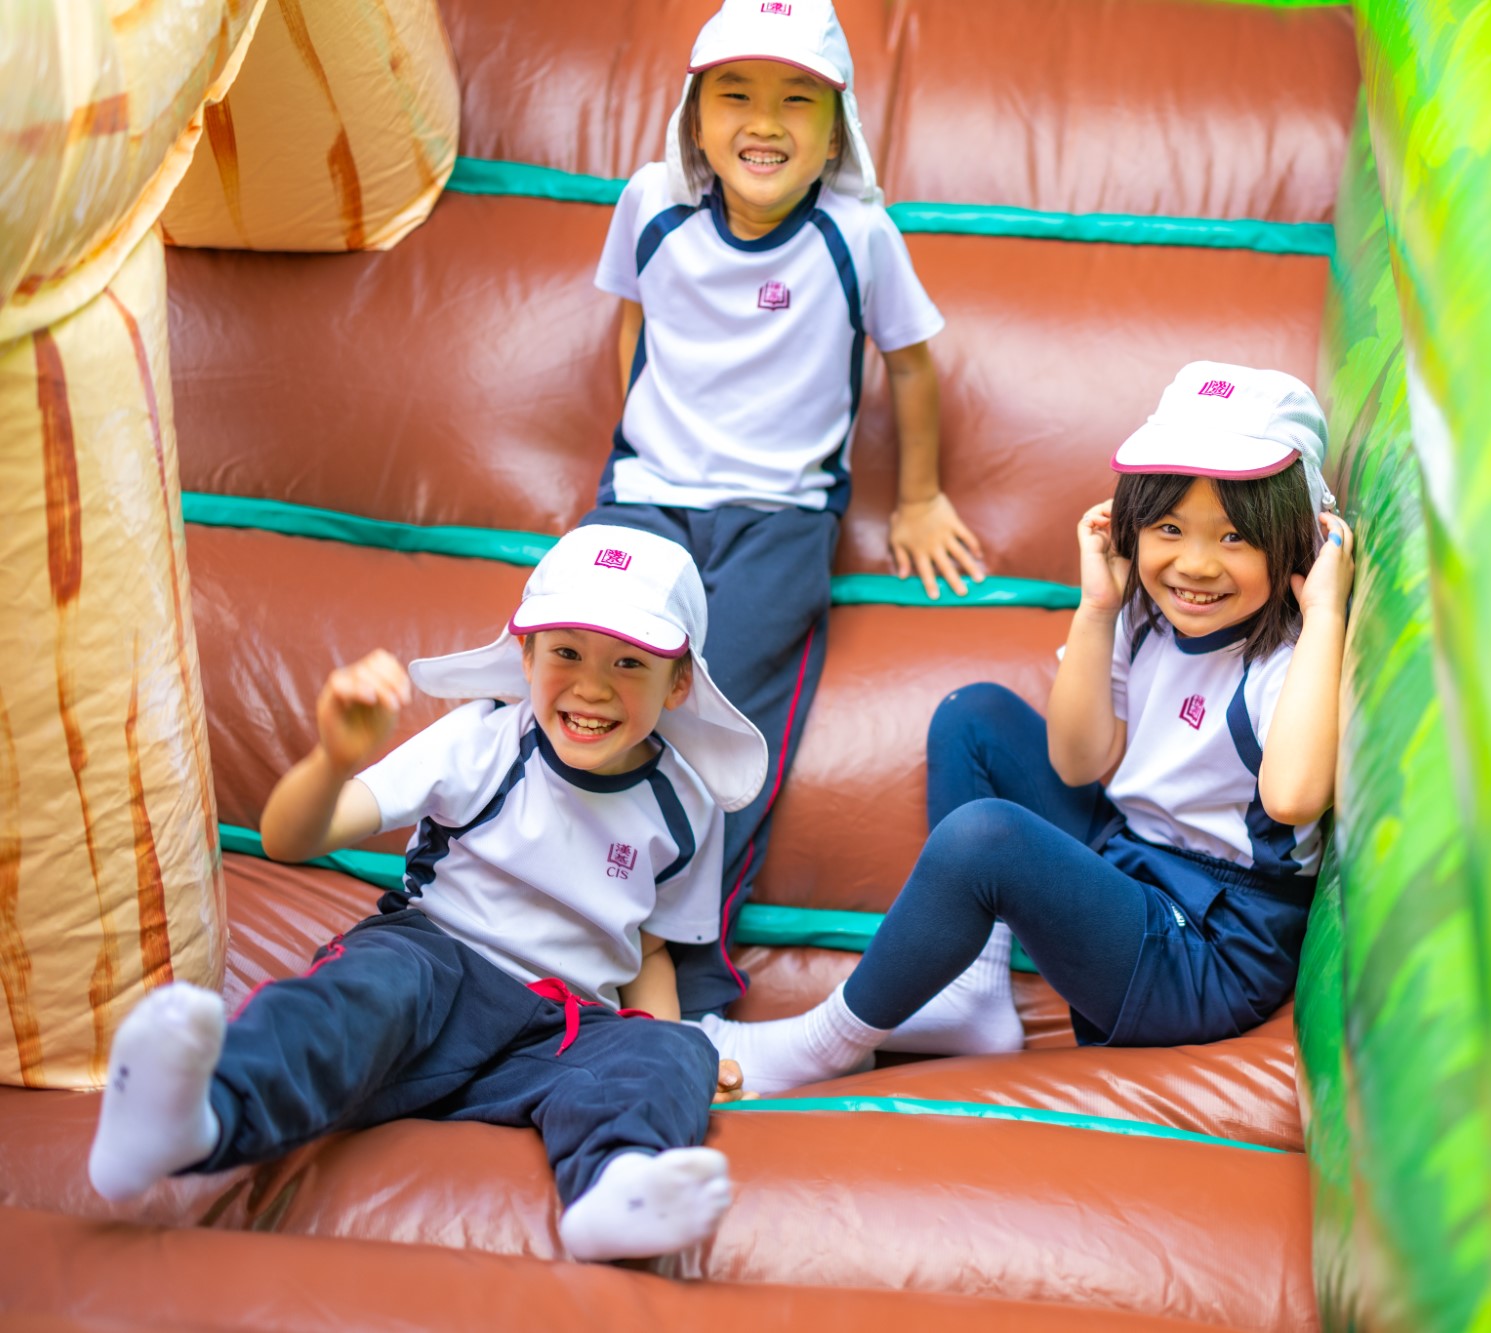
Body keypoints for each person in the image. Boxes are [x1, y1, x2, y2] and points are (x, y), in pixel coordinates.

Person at [86, 526, 769, 1264]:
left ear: (677, 683)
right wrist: (334, 758)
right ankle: (195, 1115)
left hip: (561, 1034)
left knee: (676, 1047)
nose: (593, 687)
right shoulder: (481, 741)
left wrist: (666, 1057)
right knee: (369, 989)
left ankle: (616, 1187)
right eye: (566, 653)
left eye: (629, 663)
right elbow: (288, 839)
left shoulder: (686, 804)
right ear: (526, 655)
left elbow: (651, 951)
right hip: (438, 972)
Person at [704, 362, 1355, 1090]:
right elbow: (1078, 762)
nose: (1195, 565)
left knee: (986, 836)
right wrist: (1098, 607)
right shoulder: (1145, 617)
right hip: (1133, 860)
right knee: (974, 717)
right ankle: (972, 992)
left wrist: (1324, 611)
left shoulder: (1284, 656)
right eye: (1169, 528)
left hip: (1207, 951)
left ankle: (822, 1045)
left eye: (1234, 538)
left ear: (1296, 540)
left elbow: (1293, 797)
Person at [583, 0, 991, 1020]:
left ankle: (690, 967)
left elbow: (910, 364)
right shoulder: (651, 201)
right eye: (735, 95)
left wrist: (918, 497)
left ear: (834, 134)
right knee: (583, 683)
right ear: (694, 116)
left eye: (796, 102)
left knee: (724, 721)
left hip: (779, 513)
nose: (764, 122)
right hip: (645, 495)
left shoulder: (858, 234)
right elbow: (636, 319)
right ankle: (551, 933)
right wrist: (638, 445)